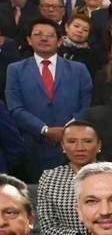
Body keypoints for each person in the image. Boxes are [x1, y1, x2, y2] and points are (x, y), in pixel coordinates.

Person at [6, 17, 94, 177]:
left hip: (73, 147)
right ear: (29, 40)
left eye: (50, 35)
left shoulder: (78, 69)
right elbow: (15, 107)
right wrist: (44, 130)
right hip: (32, 147)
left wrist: (67, 131)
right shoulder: (15, 70)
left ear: (60, 41)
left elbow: (86, 104)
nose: (44, 38)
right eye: (38, 34)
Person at [34, 121, 100, 235]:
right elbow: (47, 227)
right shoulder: (50, 178)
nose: (79, 147)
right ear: (63, 147)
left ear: (98, 146)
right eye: (71, 141)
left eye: (87, 141)